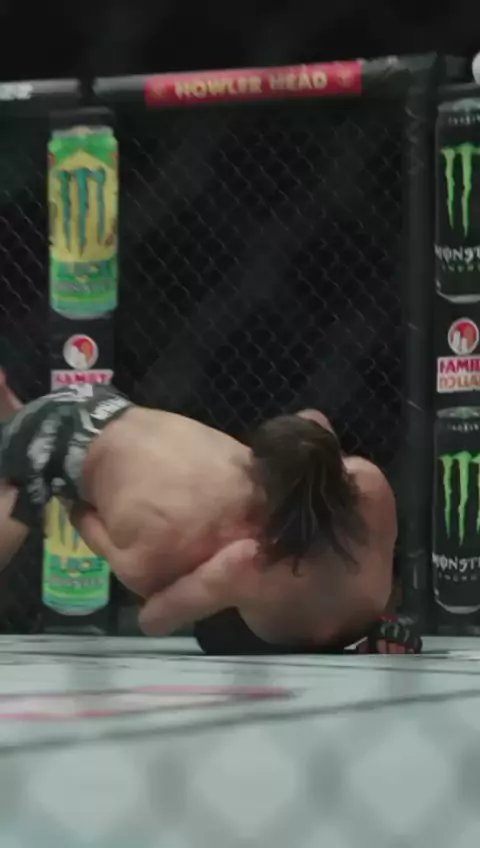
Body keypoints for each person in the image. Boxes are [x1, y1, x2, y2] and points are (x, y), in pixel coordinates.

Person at [0, 371, 419, 653]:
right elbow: (316, 431)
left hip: (86, 421)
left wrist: (69, 499)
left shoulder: (242, 562)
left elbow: (154, 619)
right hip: (357, 616)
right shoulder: (369, 483)